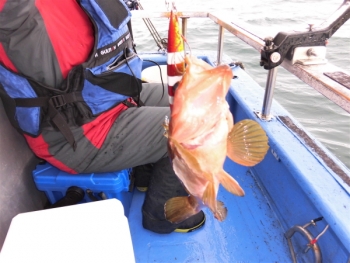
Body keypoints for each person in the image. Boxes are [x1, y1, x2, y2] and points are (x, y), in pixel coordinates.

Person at [0, 0, 205, 233]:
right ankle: (162, 216)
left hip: (109, 100)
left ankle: (146, 175)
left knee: (194, 103)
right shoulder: (14, 11)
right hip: (76, 135)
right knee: (194, 128)